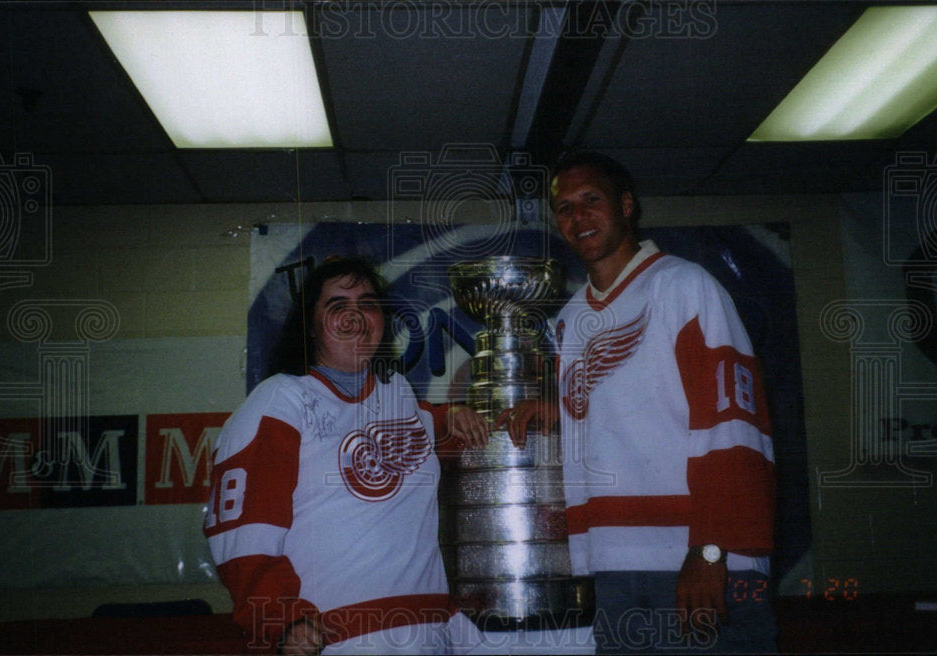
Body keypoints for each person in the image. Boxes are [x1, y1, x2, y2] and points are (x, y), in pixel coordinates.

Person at [497, 152, 777, 653]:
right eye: (563, 208)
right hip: (611, 564)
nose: (577, 217)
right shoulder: (569, 319)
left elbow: (733, 423)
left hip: (697, 561)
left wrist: (711, 550)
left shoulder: (683, 286)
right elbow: (626, 416)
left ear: (626, 206)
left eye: (590, 201)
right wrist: (556, 413)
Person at [204, 257, 489, 655]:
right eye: (338, 305)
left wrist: (458, 414)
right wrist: (279, 617)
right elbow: (241, 534)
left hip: (431, 634)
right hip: (339, 640)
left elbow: (444, 431)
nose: (355, 316)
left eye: (367, 304)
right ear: (310, 324)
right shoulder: (280, 401)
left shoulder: (399, 396)